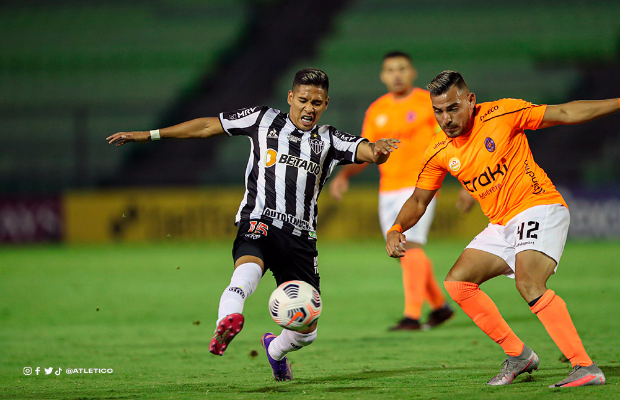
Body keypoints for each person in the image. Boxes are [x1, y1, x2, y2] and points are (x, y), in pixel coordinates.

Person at [107, 68, 399, 382]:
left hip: (300, 238)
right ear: (290, 97)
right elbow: (208, 126)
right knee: (247, 269)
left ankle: (274, 350)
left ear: (325, 104)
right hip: (260, 220)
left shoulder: (329, 139)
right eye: (303, 100)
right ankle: (228, 319)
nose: (309, 108)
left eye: (316, 102)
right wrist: (150, 135)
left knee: (307, 332)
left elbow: (368, 151)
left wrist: (379, 150)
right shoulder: (262, 119)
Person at [386, 70, 618, 387]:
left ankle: (584, 366)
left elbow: (564, 112)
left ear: (470, 100)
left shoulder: (503, 113)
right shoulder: (439, 150)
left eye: (453, 108)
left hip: (538, 206)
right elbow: (418, 199)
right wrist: (397, 227)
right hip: (501, 223)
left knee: (529, 282)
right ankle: (519, 355)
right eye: (438, 111)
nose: (446, 119)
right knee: (458, 283)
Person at [330, 51, 473, 331]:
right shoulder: (377, 109)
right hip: (388, 189)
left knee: (411, 247)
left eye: (402, 68)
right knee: (401, 251)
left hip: (421, 187)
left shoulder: (428, 104)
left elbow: (451, 143)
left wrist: (466, 182)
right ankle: (439, 307)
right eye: (391, 70)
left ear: (412, 72)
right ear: (383, 76)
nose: (397, 74)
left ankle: (411, 317)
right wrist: (345, 174)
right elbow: (368, 151)